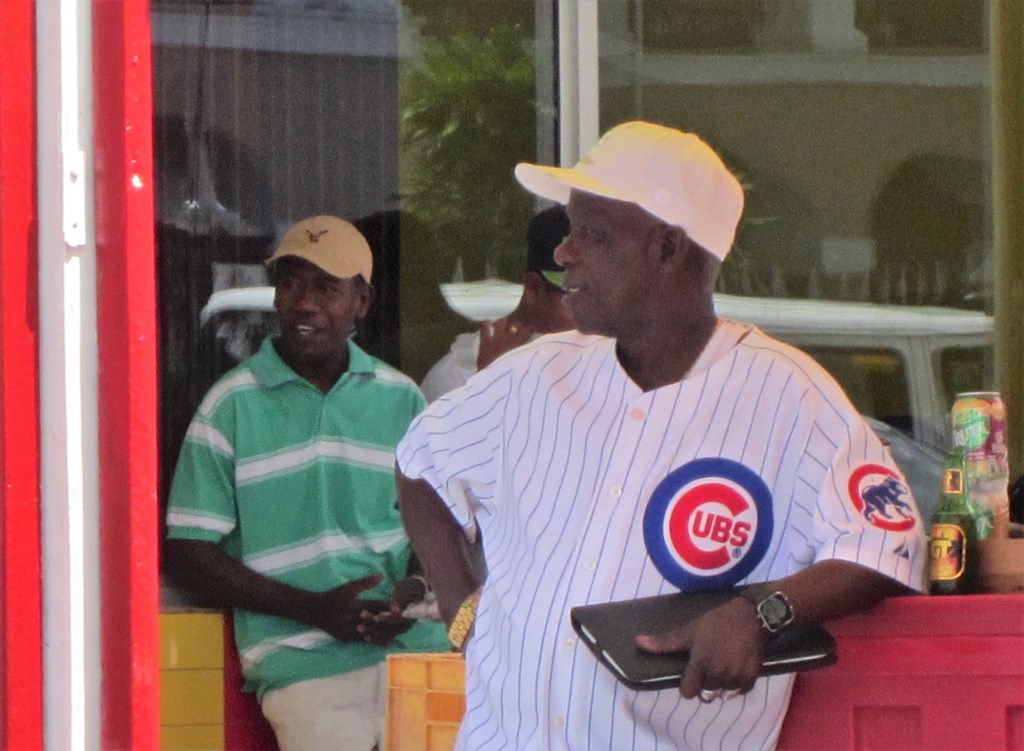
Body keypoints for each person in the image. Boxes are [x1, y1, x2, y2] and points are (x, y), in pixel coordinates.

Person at [395, 121, 927, 750]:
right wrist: (467, 617)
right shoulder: (530, 377)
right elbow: (419, 465)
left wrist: (760, 613)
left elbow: (885, 548)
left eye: (590, 234)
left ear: (669, 248)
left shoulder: (789, 397)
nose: (564, 253)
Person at [163, 215, 449, 751]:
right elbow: (187, 553)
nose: (305, 302)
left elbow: (434, 528)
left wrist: (410, 594)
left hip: (418, 658)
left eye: (326, 287)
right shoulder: (230, 405)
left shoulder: (402, 399)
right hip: (305, 668)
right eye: (291, 282)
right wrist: (312, 608)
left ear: (361, 302)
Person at [420, 204, 575, 402]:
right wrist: (491, 377)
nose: (598, 315)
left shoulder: (608, 358)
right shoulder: (459, 373)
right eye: (579, 294)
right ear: (533, 288)